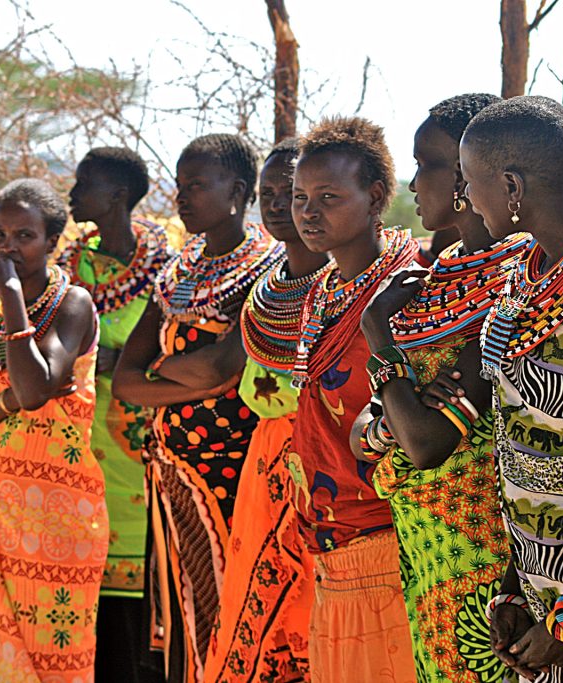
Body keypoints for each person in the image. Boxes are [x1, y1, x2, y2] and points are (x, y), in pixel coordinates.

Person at [427, 95, 563, 681]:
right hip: (543, 600)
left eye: (470, 182)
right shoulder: (529, 274)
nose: (465, 198)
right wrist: (516, 591)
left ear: (510, 185)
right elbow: (519, 443)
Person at [356, 93, 526, 682]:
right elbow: (369, 428)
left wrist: (379, 338)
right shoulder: (435, 276)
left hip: (482, 548)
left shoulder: (517, 280)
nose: (414, 181)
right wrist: (389, 421)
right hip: (424, 545)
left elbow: (428, 442)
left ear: (464, 176)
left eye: (425, 164)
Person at [113, 133, 282, 682]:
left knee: (237, 612)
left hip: (232, 474)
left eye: (196, 186)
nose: (182, 198)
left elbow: (224, 369)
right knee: (186, 615)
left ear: (237, 191)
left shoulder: (267, 265)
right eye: (180, 186)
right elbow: (124, 383)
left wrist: (171, 370)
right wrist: (199, 378)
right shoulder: (177, 272)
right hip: (172, 470)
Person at [0, 178, 106, 682]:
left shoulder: (72, 304)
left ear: (52, 242)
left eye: (24, 236)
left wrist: (10, 297)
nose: (8, 247)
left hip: (56, 516)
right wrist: (5, 402)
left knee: (54, 662)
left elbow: (36, 388)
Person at [287, 116, 420, 682]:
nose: (308, 212)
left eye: (328, 197)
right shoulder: (324, 290)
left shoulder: (409, 288)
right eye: (300, 197)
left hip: (386, 541)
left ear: (375, 199)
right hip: (330, 545)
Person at [204, 137, 329, 682]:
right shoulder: (264, 288)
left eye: (296, 192)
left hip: (322, 473)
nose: (282, 204)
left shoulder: (349, 282)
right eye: (270, 192)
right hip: (263, 472)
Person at [61, 147, 170, 682]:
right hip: (82, 455)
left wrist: (117, 359)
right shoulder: (69, 266)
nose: (73, 194)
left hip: (141, 454)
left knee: (141, 633)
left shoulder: (165, 267)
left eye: (85, 184)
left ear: (118, 196)